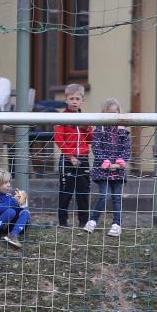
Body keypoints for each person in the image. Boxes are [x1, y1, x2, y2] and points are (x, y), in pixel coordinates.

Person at [84, 99, 131, 237]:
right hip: (102, 170)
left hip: (118, 170)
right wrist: (105, 161)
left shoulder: (124, 132)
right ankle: (92, 221)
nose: (112, 116)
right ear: (104, 113)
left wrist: (120, 162)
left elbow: (126, 149)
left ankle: (116, 224)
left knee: (117, 197)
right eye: (109, 113)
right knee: (103, 196)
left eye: (115, 113)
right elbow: (96, 147)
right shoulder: (99, 130)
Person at [54, 84, 92, 228]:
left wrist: (87, 128)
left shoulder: (86, 119)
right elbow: (59, 139)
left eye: (77, 98)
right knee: (66, 191)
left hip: (82, 158)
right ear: (66, 100)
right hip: (67, 159)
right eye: (71, 98)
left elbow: (90, 139)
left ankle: (83, 222)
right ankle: (63, 223)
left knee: (83, 191)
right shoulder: (61, 118)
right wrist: (70, 156)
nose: (74, 101)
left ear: (82, 100)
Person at [0, 168, 29, 249]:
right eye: (5, 182)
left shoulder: (8, 196)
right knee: (11, 211)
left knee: (25, 212)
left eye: (9, 182)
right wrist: (13, 201)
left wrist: (21, 204)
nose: (9, 185)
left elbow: (17, 211)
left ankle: (13, 235)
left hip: (6, 226)